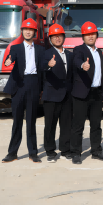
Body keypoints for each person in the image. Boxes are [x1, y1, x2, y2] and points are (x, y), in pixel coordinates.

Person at [1, 18, 44, 163]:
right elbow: (10, 58)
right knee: (17, 121)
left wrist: (41, 88)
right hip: (19, 85)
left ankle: (33, 153)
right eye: (26, 29)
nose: (28, 32)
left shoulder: (40, 50)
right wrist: (8, 61)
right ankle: (12, 153)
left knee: (31, 121)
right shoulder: (15, 48)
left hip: (33, 84)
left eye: (30, 30)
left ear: (34, 32)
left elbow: (43, 70)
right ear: (22, 31)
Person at [70, 21, 103, 165]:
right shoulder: (79, 50)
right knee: (78, 125)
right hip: (82, 93)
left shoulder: (99, 52)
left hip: (96, 93)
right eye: (87, 34)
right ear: (83, 37)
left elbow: (102, 73)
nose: (90, 36)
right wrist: (82, 65)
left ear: (96, 35)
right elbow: (76, 60)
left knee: (96, 125)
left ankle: (96, 151)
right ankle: (75, 153)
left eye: (93, 34)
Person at [40, 24, 73, 163]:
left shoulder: (70, 54)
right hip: (51, 94)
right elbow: (41, 68)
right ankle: (50, 151)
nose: (57, 39)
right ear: (50, 39)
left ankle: (65, 150)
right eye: (54, 37)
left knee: (66, 124)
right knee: (50, 124)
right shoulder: (46, 54)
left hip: (67, 95)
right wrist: (48, 65)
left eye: (59, 36)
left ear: (64, 37)